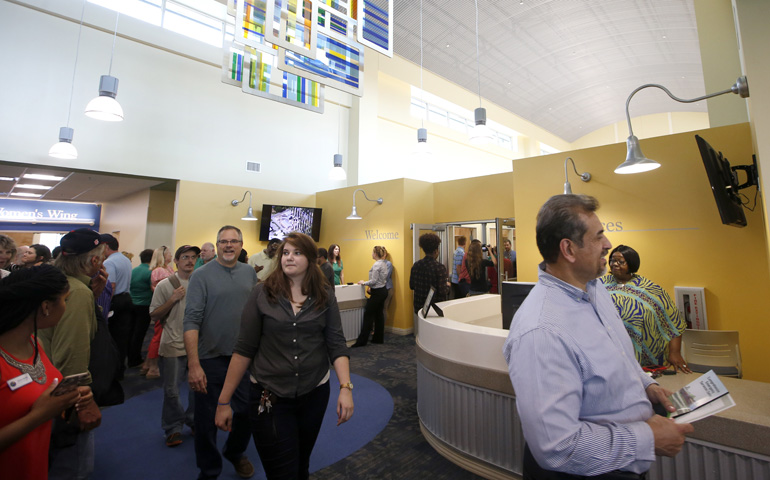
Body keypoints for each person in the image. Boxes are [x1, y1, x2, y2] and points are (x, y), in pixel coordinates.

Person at [503, 194, 693, 479]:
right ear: (568, 249)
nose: (607, 244)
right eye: (599, 236)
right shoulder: (541, 332)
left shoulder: (595, 288)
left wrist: (645, 385)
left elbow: (615, 352)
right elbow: (557, 447)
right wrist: (647, 439)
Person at [215, 232, 353, 480]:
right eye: (286, 253)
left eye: (297, 253)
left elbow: (336, 343)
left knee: (301, 464)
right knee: (282, 472)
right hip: (270, 396)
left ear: (310, 259)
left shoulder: (324, 295)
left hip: (314, 394)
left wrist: (345, 387)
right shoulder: (262, 294)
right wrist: (224, 402)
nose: (289, 258)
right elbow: (244, 349)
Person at [184, 226, 257, 480]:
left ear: (240, 245)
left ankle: (235, 453)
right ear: (217, 245)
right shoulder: (201, 275)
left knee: (247, 412)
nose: (228, 246)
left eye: (233, 241)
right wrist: (193, 364)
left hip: (244, 358)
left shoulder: (249, 273)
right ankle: (209, 469)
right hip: (210, 358)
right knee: (206, 422)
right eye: (223, 241)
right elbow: (191, 320)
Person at [0, 265, 85, 479]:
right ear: (46, 306)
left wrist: (69, 400)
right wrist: (40, 415)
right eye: (65, 300)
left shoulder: (34, 343)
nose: (66, 307)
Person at [39, 228, 106, 480]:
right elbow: (70, 353)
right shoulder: (76, 293)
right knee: (73, 467)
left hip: (42, 385)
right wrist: (83, 403)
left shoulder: (53, 282)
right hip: (64, 395)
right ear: (93, 260)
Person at [601, 245, 690, 373]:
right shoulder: (598, 285)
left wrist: (674, 352)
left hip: (646, 361)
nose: (615, 264)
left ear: (631, 264)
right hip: (607, 354)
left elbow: (674, 322)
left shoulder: (651, 290)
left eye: (620, 262)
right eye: (612, 261)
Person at [151, 245, 200, 448]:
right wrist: (172, 299)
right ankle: (173, 427)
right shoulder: (165, 285)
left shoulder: (202, 283)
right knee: (172, 389)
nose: (189, 260)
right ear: (176, 261)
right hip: (172, 343)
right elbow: (154, 314)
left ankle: (194, 420)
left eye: (193, 257)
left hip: (198, 345)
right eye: (185, 257)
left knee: (199, 388)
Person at [102, 234, 134, 378]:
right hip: (127, 299)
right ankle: (120, 369)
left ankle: (112, 371)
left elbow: (111, 286)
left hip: (115, 302)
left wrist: (104, 306)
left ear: (106, 246)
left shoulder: (109, 262)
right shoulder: (125, 259)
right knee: (122, 337)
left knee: (112, 337)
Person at [144, 246, 175, 379]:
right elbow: (159, 291)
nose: (171, 255)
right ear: (163, 255)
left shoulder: (168, 269)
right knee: (158, 336)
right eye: (169, 253)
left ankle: (147, 364)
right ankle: (153, 367)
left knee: (159, 335)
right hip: (163, 307)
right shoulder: (159, 271)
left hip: (171, 306)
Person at [352, 246, 389, 347]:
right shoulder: (384, 263)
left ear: (376, 254)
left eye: (373, 252)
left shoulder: (377, 265)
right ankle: (378, 338)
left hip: (377, 293)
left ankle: (362, 341)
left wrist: (364, 283)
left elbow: (374, 281)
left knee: (368, 315)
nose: (372, 254)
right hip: (383, 291)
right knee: (379, 315)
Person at [128, 249, 154, 369]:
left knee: (132, 331)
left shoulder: (133, 271)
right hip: (144, 305)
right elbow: (153, 290)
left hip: (132, 304)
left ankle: (130, 356)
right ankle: (135, 359)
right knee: (139, 333)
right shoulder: (150, 272)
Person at [410, 233, 448, 313]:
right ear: (436, 251)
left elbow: (412, 286)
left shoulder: (416, 265)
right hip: (434, 309)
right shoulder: (439, 267)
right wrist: (448, 286)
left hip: (418, 306)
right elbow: (442, 292)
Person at [380, 246, 395, 325]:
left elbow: (385, 277)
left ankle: (381, 328)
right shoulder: (377, 263)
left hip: (387, 288)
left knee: (384, 308)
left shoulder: (388, 264)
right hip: (379, 289)